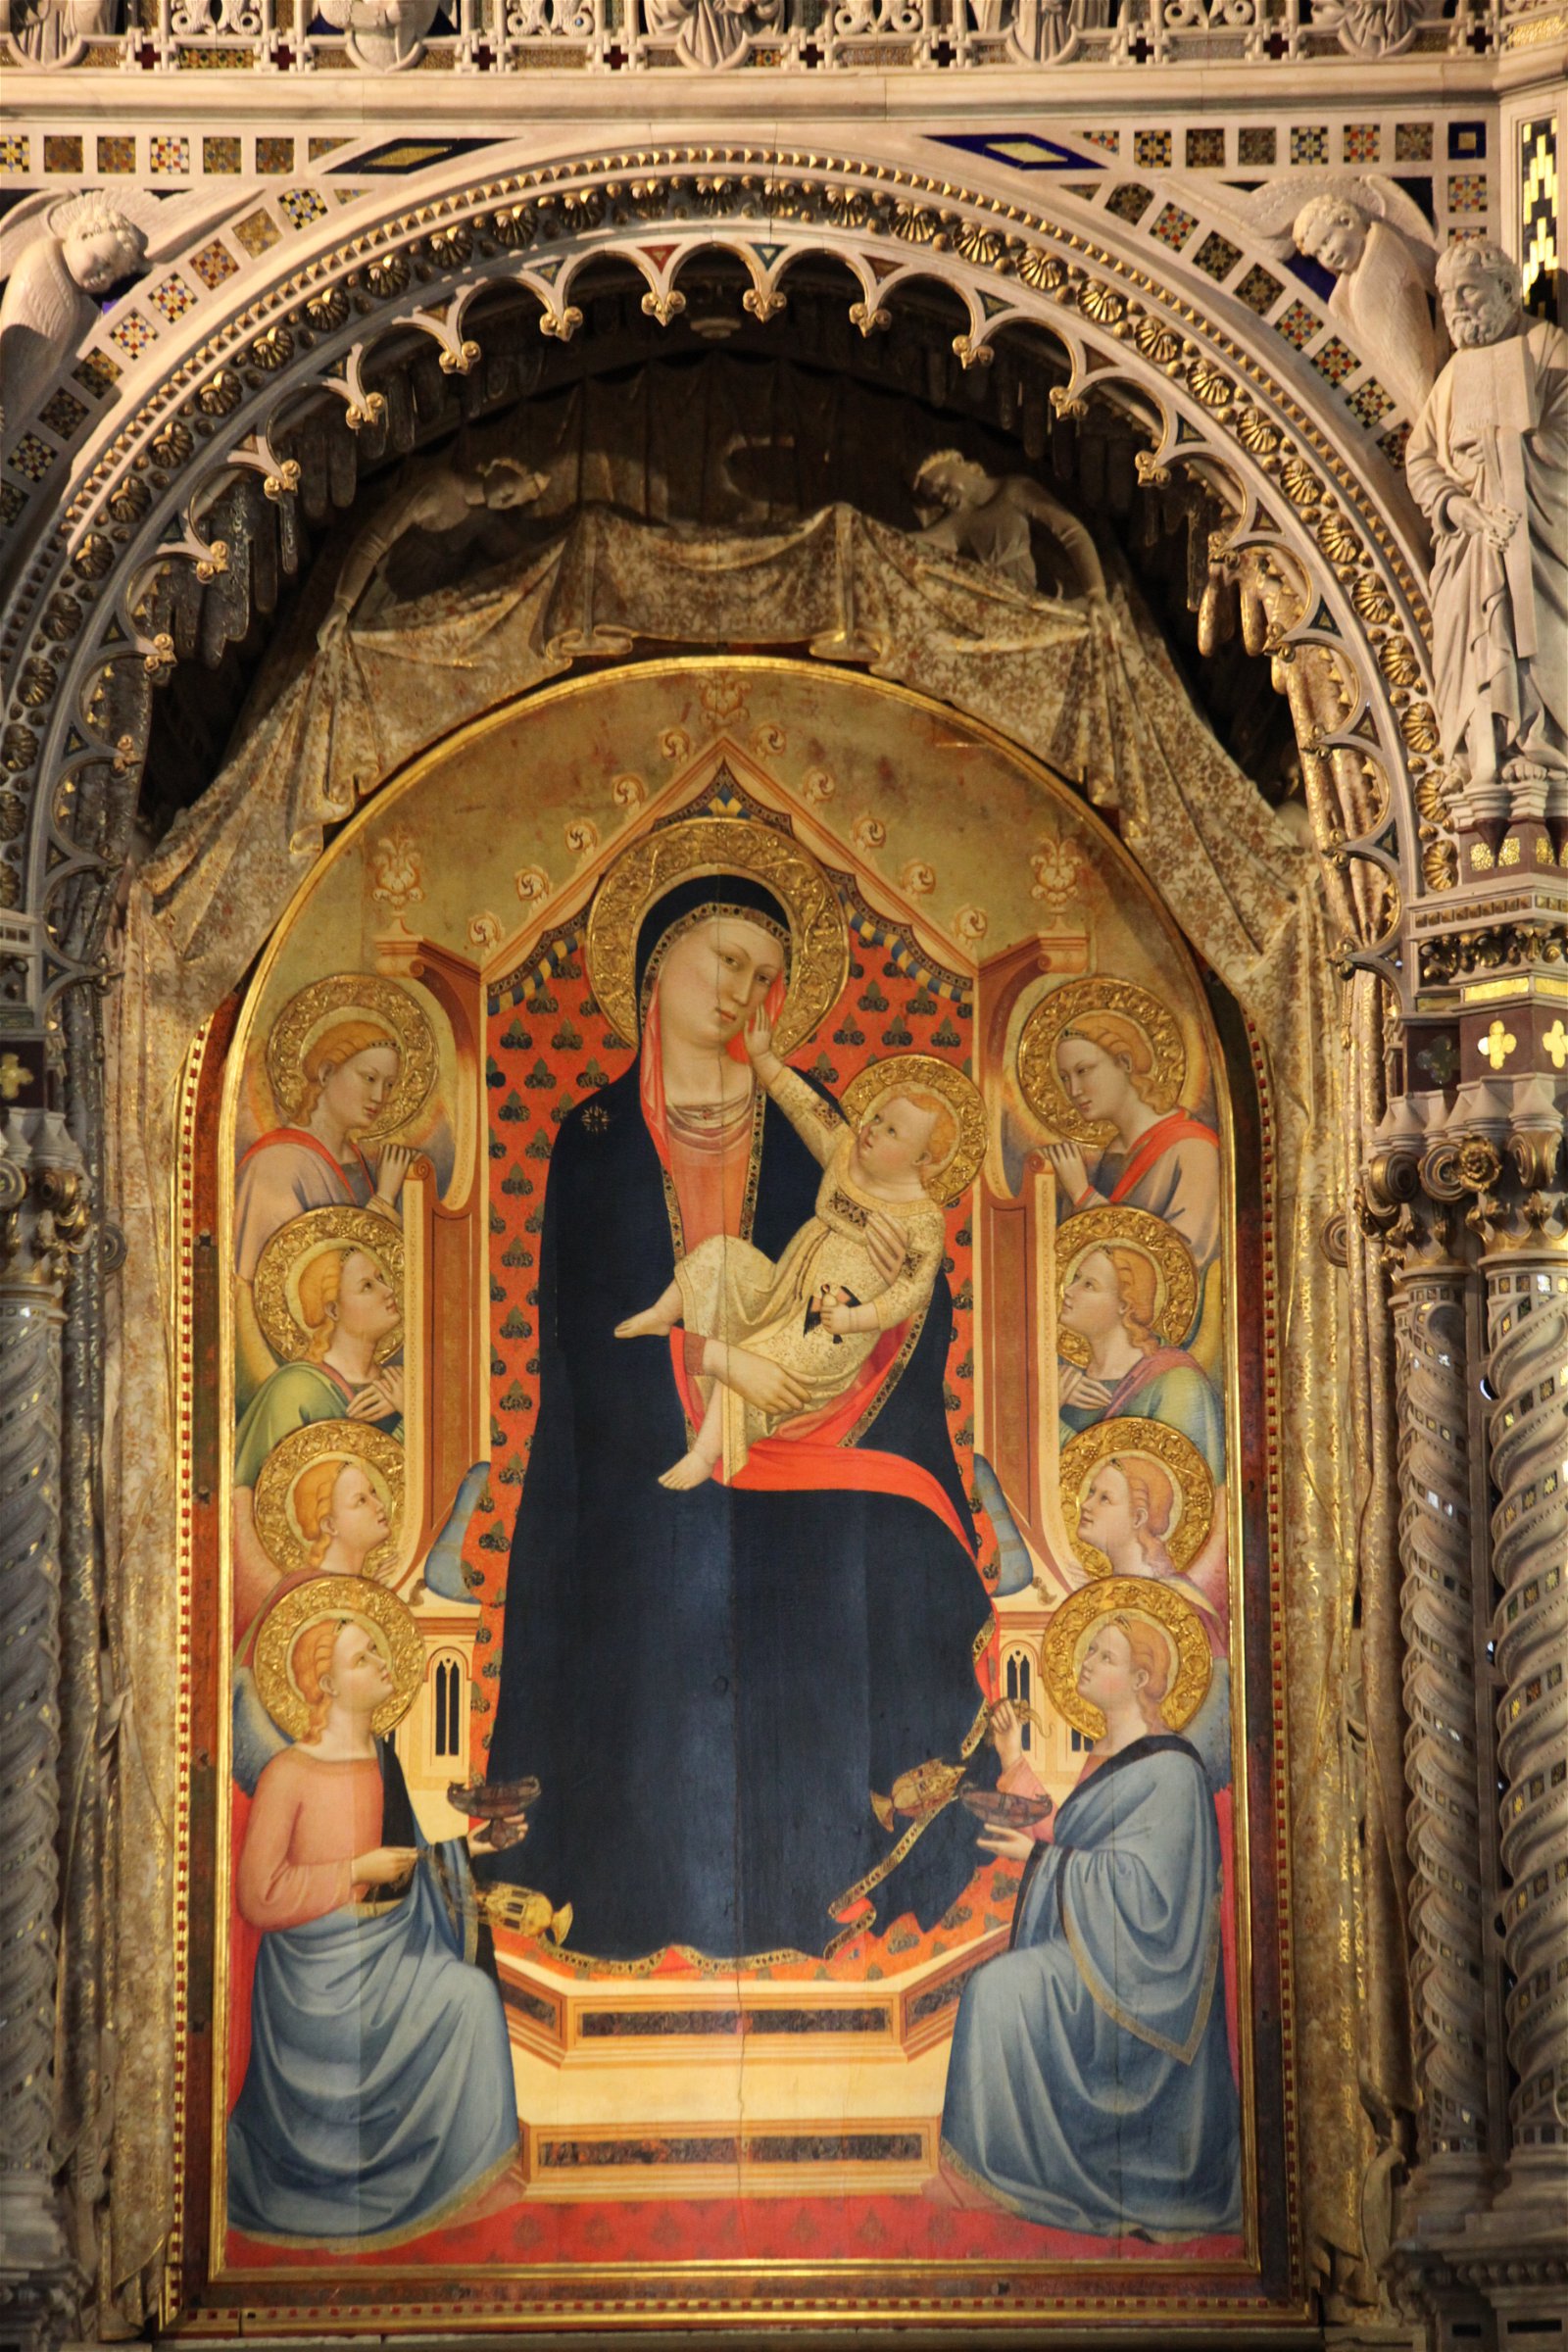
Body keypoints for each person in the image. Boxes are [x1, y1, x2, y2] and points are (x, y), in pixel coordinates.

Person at [484, 843, 997, 1960]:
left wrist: (813, 1384)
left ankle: (812, 1920)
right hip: (635, 1490)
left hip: (802, 1499)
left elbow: (914, 1300)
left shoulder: (821, 1125)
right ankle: (617, 1918)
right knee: (642, 1708)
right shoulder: (593, 1141)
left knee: (795, 1711)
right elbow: (573, 1349)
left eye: (765, 977)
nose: (741, 993)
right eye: (725, 959)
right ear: (658, 960)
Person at [935, 1612, 1241, 2238]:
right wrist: (1014, 1759)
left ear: (1141, 1679)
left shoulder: (1172, 1771)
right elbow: (1072, 1839)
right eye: (1089, 1651)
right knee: (998, 1989)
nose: (1086, 1662)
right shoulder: (1109, 1759)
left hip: (1145, 1985)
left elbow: (1154, 1896)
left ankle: (1011, 2173)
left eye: (1103, 1655)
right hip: (1097, 1954)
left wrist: (1044, 1861)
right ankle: (996, 2172)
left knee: (998, 1992)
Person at [227, 1611, 520, 2245]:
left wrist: (485, 1843)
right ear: (324, 1684)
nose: (384, 1664)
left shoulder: (380, 1760)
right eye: (364, 1658)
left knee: (470, 1998)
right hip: (315, 1986)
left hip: (391, 1956)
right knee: (465, 1998)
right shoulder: (289, 1774)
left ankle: (456, 2174)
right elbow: (258, 1896)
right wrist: (352, 1870)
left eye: (382, 1653)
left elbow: (417, 1862)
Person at [617, 1026, 956, 1488]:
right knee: (722, 1254)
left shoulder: (922, 1221)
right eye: (876, 1118)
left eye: (892, 1131)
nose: (872, 1131)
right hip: (782, 1288)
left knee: (753, 1357)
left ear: (923, 1160)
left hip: (828, 1323)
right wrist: (764, 1059)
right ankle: (661, 1314)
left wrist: (854, 1321)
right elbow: (808, 1110)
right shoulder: (846, 1157)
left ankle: (703, 1455)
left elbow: (911, 1292)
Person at [1405, 238, 1568, 811]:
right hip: (1471, 542)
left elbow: (1565, 437)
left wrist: (1512, 452)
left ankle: (1540, 743)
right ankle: (1482, 754)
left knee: (1525, 624)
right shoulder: (1451, 376)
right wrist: (1457, 504)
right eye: (1447, 295)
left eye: (1467, 291)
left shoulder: (1548, 348)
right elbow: (1421, 458)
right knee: (1473, 632)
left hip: (1534, 535)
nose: (1455, 306)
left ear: (1505, 289)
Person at [232, 1243, 404, 1636]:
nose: (387, 1291)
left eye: (382, 1279)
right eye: (367, 1285)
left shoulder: (405, 1391)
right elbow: (247, 1517)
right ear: (332, 1311)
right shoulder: (295, 1391)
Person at [1043, 1012, 1220, 1270]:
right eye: (1065, 1078)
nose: (1073, 1091)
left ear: (1124, 1062)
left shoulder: (1192, 1148)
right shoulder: (1116, 1152)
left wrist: (1084, 1198)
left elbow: (1182, 1261)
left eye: (1083, 1071)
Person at [1057, 1243, 1224, 1478]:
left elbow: (1144, 1489)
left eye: (1088, 1285)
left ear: (1125, 1305)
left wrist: (1053, 1424)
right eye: (1075, 1278)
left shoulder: (1176, 1383)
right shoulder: (1064, 1380)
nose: (1068, 1291)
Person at [1074, 1452, 1228, 1646]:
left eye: (1105, 1498)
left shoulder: (1180, 1604)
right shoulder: (1105, 1593)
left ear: (1138, 1518)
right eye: (1091, 1492)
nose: (1086, 1505)